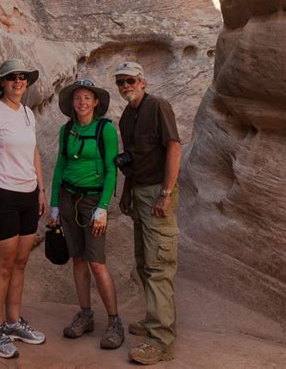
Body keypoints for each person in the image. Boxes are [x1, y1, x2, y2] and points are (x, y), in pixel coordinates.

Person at [0, 58, 47, 359]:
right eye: (12, 78)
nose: (18, 82)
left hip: (28, 195)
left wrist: (40, 190)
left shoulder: (29, 113)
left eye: (23, 78)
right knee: (2, 265)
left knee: (20, 262)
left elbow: (34, 152)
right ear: (2, 83)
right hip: (0, 194)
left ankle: (14, 322)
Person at [48, 79, 124, 350]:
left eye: (87, 98)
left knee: (96, 262)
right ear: (72, 103)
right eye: (77, 98)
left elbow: (112, 170)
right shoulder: (66, 129)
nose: (82, 102)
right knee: (78, 258)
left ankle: (114, 321)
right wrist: (54, 204)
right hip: (69, 197)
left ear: (96, 103)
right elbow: (60, 166)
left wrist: (103, 207)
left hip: (93, 200)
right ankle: (86, 315)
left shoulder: (105, 130)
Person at [115, 61, 182, 366]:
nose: (125, 86)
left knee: (159, 264)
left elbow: (174, 148)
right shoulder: (127, 117)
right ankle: (158, 320)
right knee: (145, 262)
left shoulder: (159, 107)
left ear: (142, 81)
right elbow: (131, 159)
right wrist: (127, 191)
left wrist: (166, 193)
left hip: (158, 192)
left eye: (130, 80)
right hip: (140, 192)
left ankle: (161, 340)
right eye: (121, 82)